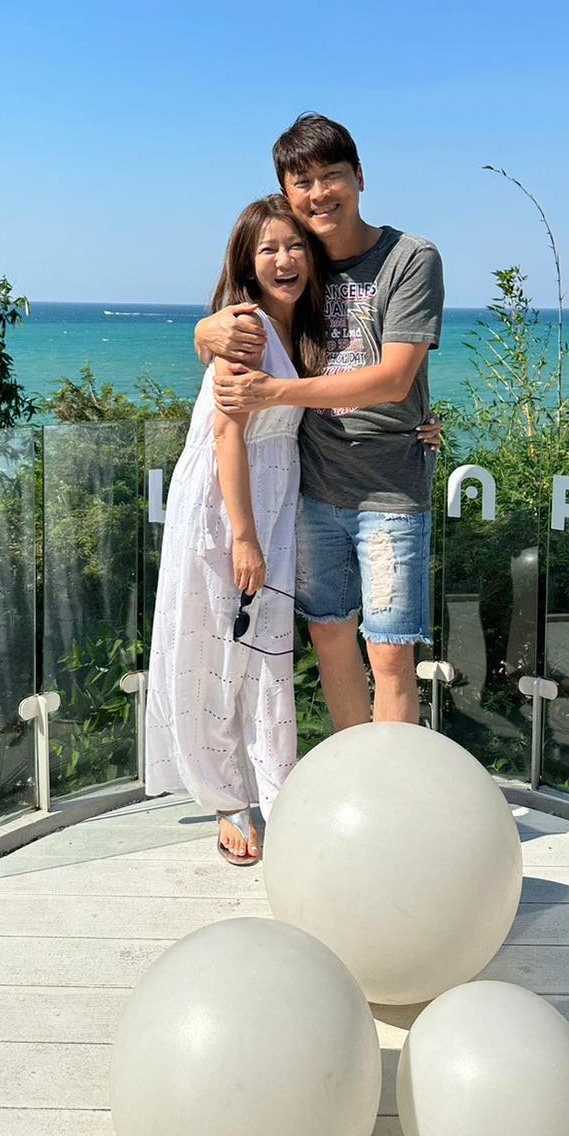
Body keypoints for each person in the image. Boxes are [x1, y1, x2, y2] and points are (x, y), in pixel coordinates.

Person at [196, 113, 445, 733]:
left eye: (331, 176)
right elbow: (242, 310)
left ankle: (390, 782)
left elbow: (394, 378)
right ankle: (353, 776)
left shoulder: (410, 259)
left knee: (391, 654)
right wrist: (204, 331)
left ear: (359, 176)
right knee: (331, 642)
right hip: (312, 490)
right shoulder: (300, 263)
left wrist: (276, 392)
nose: (318, 194)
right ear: (287, 192)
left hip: (390, 489)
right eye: (301, 182)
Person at [144, 195, 327, 866]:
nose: (285, 260)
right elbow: (228, 435)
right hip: (226, 504)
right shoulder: (245, 328)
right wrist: (244, 536)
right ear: (247, 264)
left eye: (295, 245)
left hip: (269, 501)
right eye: (268, 249)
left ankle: (274, 790)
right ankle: (228, 797)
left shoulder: (303, 328)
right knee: (219, 651)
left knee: (263, 651)